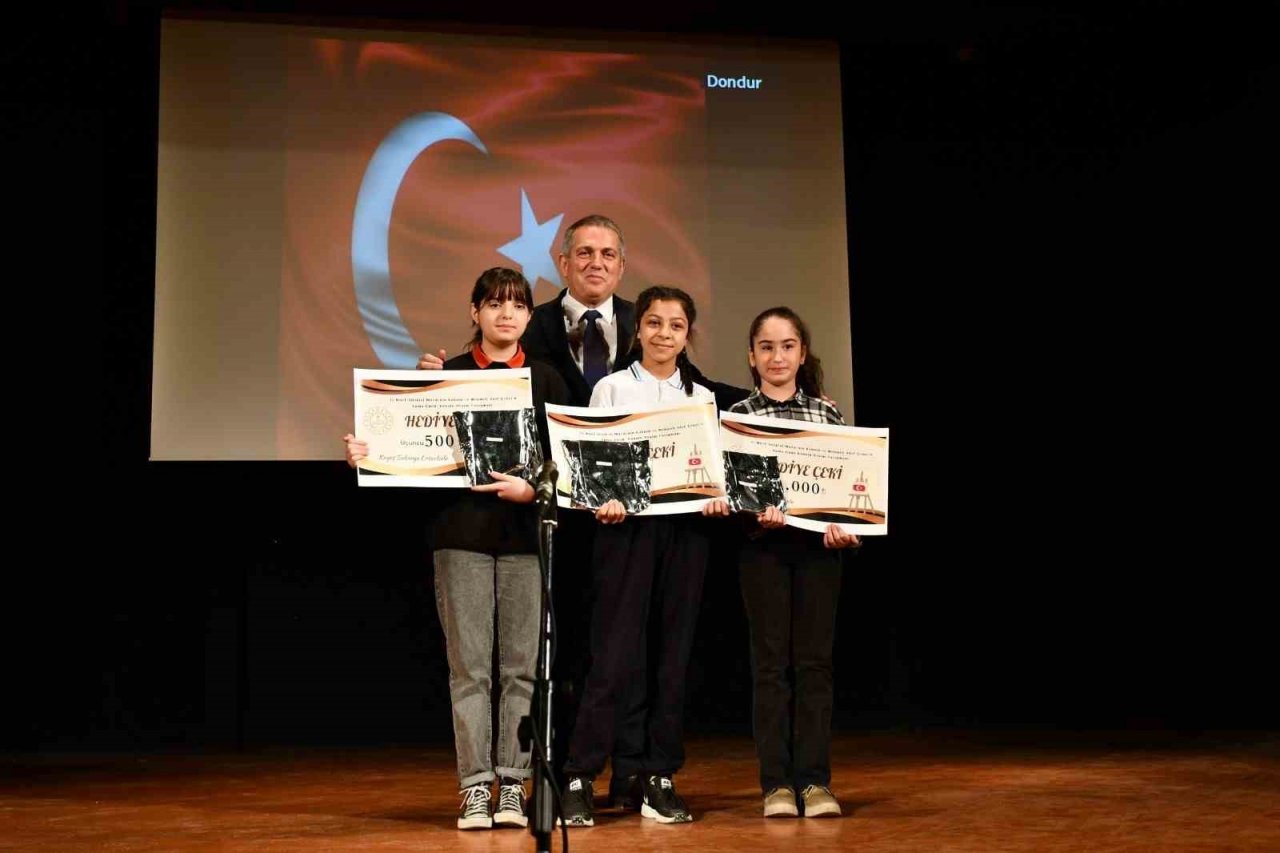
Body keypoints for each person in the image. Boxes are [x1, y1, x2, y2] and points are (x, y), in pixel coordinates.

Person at [345, 268, 569, 830]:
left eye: (516, 305)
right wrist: (368, 452)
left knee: (520, 669)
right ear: (475, 312)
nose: (506, 314)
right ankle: (474, 787)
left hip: (524, 543)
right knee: (469, 669)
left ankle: (512, 784)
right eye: (494, 304)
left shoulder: (547, 378)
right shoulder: (444, 375)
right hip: (459, 538)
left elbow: (567, 464)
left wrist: (532, 490)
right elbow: (404, 445)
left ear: (529, 315)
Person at [558, 286, 715, 826]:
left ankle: (656, 775)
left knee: (671, 659)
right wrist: (601, 499)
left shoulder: (702, 397)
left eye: (676, 325)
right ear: (638, 329)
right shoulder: (611, 388)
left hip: (685, 535)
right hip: (624, 534)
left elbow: (709, 470)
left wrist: (715, 496)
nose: (664, 333)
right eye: (654, 322)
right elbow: (590, 465)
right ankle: (579, 774)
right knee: (613, 656)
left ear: (687, 335)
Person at [702, 306, 861, 819]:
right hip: (763, 551)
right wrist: (751, 513)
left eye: (787, 346)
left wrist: (846, 528)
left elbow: (848, 490)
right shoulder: (737, 418)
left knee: (815, 666)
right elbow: (730, 497)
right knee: (770, 668)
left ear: (802, 353)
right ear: (752, 356)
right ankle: (776, 785)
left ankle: (814, 782)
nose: (777, 356)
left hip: (818, 554)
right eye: (766, 347)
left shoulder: (827, 414)